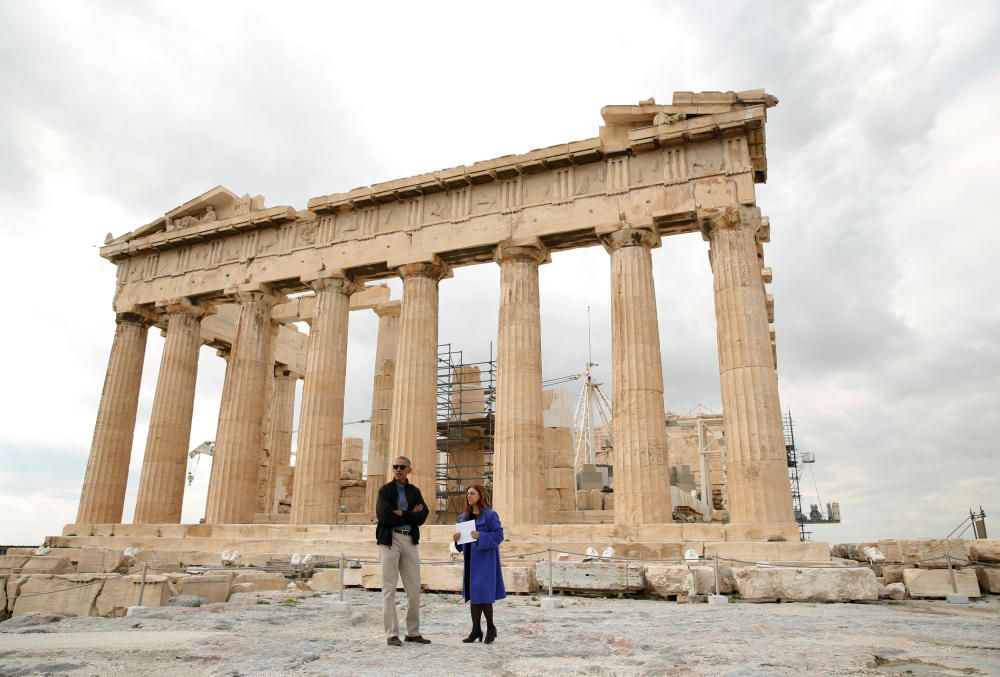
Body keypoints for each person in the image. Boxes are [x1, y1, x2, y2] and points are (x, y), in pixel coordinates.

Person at [376, 456, 430, 646]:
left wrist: (402, 513)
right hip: (389, 540)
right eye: (395, 466)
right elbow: (384, 516)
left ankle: (413, 632)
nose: (398, 469)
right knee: (389, 588)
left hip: (409, 540)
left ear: (409, 470)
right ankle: (392, 634)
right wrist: (410, 515)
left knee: (414, 588)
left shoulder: (414, 491)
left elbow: (423, 516)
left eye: (402, 467)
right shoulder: (385, 490)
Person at [452, 484, 506, 644]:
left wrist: (481, 535)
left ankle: (490, 627)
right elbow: (461, 546)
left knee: (483, 594)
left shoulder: (490, 515)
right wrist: (456, 540)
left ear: (480, 495)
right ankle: (476, 629)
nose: (468, 496)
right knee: (474, 595)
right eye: (467, 493)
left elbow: (499, 536)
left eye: (472, 493)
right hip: (470, 561)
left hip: (485, 561)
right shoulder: (462, 518)